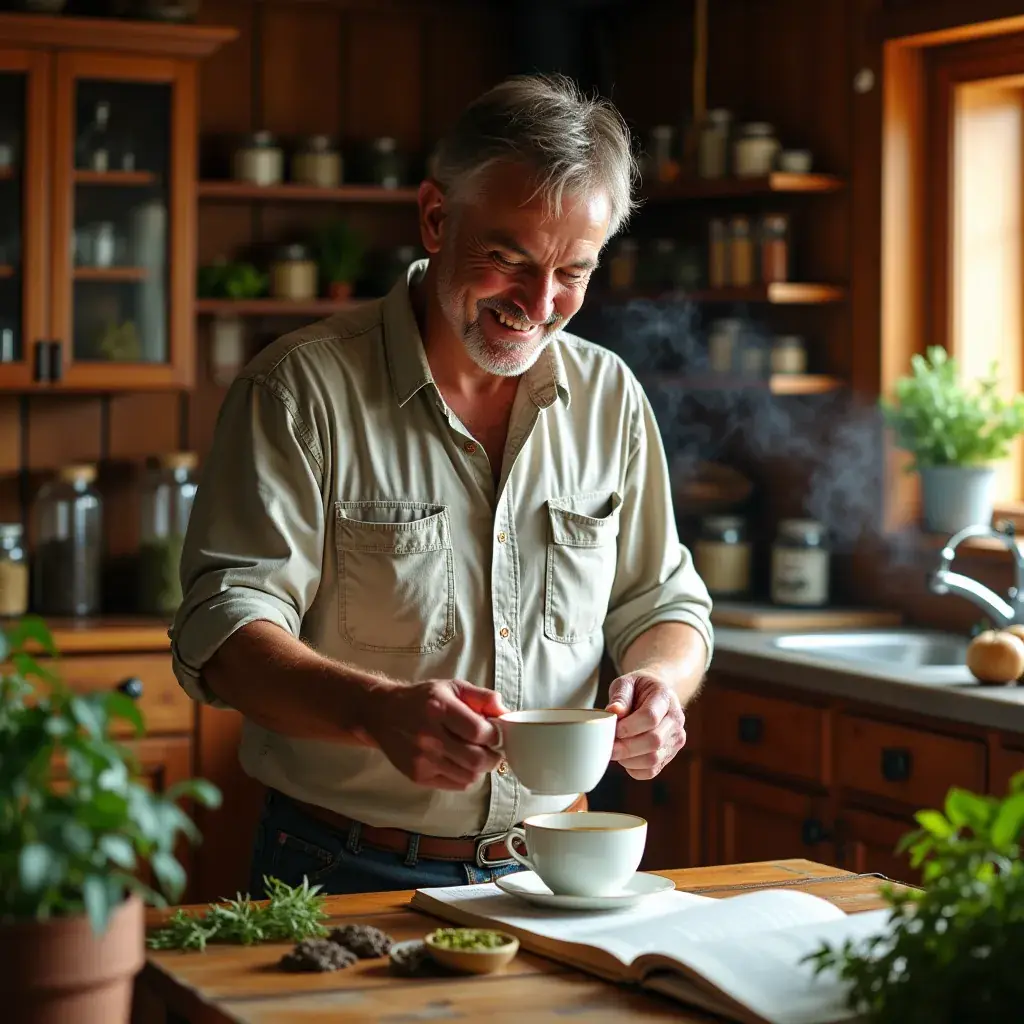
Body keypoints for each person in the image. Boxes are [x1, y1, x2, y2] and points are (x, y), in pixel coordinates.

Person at [169, 73, 713, 897]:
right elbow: (224, 628)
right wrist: (373, 711)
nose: (538, 303)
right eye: (508, 259)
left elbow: (665, 602)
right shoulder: (298, 391)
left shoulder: (611, 398)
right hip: (340, 868)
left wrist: (661, 688)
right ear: (434, 217)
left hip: (556, 870)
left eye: (573, 272)